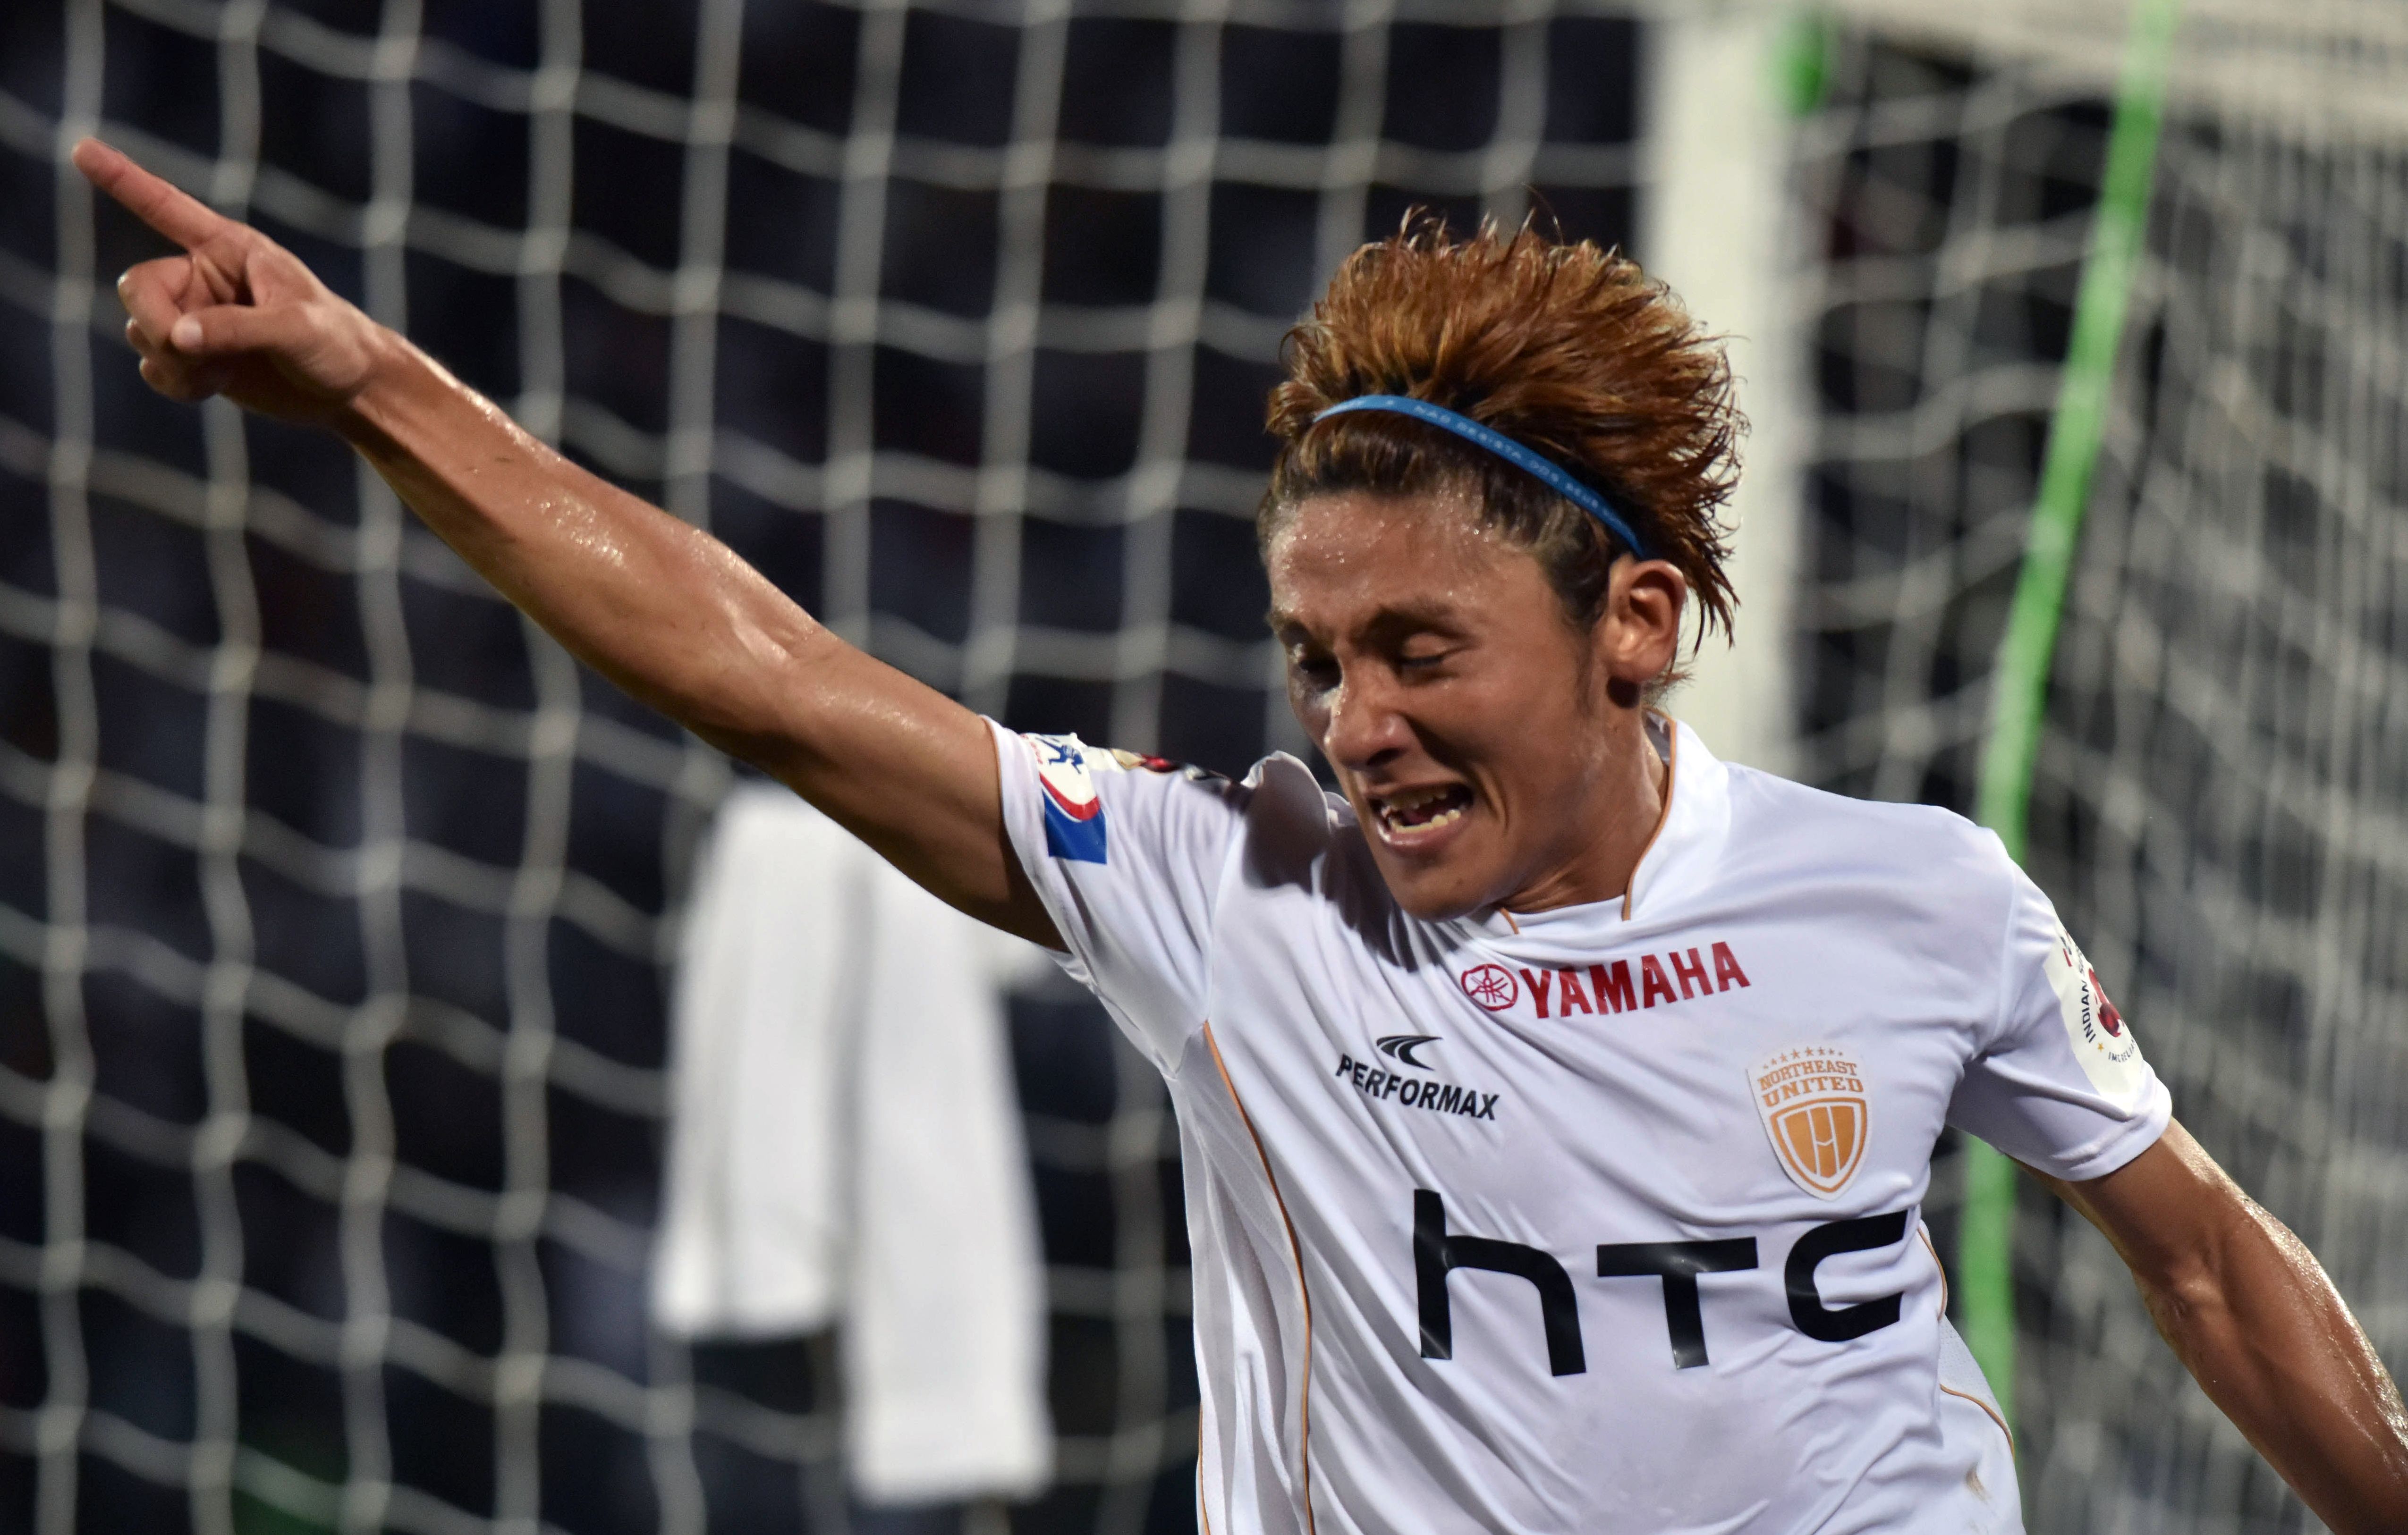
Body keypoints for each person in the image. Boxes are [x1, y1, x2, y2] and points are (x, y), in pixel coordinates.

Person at [71, 137, 2408, 1534]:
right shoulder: (1232, 888)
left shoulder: (1918, 901)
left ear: (1639, 622)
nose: (1354, 727)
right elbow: (762, 670)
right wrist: (377, 389)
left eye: (1420, 651)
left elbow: (2200, 1259)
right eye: (1315, 656)